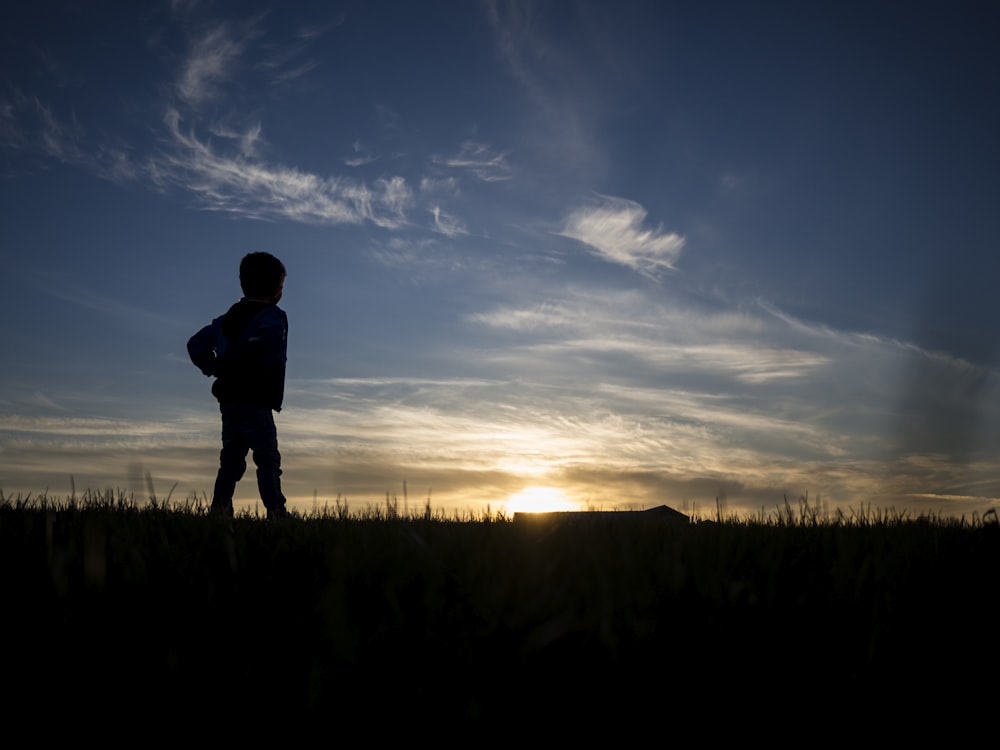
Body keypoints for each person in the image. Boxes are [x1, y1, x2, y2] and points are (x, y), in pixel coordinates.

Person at [187, 251, 290, 520]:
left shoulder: (225, 321)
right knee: (267, 458)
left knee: (231, 459)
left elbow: (195, 344)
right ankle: (276, 511)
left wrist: (215, 367)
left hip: (230, 402)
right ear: (274, 289)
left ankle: (221, 508)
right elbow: (268, 351)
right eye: (281, 285)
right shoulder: (272, 317)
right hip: (256, 400)